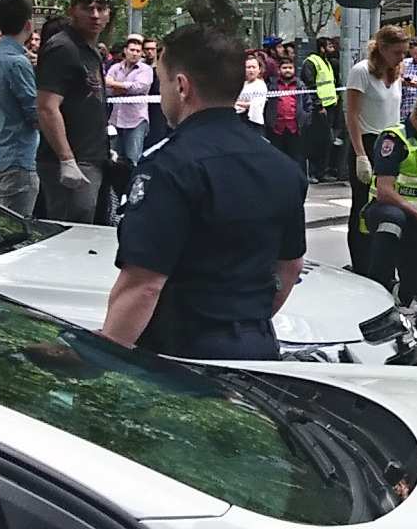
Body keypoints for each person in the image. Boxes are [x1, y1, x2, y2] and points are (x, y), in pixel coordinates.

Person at [102, 24, 307, 360]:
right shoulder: (282, 166)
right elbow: (290, 266)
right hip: (257, 349)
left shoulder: (167, 166)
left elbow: (143, 284)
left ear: (181, 86)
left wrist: (106, 357)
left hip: (182, 355)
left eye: (162, 81)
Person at [360, 90, 417, 304]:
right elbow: (384, 190)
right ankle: (379, 287)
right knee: (393, 220)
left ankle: (416, 292)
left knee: (415, 284)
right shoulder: (394, 139)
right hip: (388, 210)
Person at [35, 0, 113, 222]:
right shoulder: (63, 47)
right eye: (88, 8)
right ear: (72, 11)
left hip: (93, 158)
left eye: (101, 8)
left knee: (88, 235)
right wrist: (66, 160)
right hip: (72, 163)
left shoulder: (90, 50)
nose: (95, 15)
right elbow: (47, 107)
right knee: (71, 239)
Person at [345, 24, 409, 269]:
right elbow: (351, 115)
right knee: (362, 205)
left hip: (390, 141)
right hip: (368, 140)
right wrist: (360, 154)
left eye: (403, 53)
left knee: (388, 205)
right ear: (381, 48)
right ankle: (360, 263)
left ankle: (381, 262)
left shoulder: (395, 73)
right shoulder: (361, 72)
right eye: (396, 52)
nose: (401, 57)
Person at [0, 0, 42, 218]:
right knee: (18, 228)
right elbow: (34, 113)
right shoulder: (17, 62)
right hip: (20, 156)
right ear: (29, 25)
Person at [105, 37, 155, 169]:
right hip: (115, 120)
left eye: (138, 51)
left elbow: (139, 87)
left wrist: (115, 85)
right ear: (125, 51)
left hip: (136, 120)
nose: (135, 53)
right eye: (132, 50)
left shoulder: (145, 70)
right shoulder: (115, 68)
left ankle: (131, 188)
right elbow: (105, 88)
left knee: (133, 160)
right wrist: (124, 88)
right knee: (113, 158)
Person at [303, 32, 344, 180]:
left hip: (330, 105)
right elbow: (310, 86)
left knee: (328, 141)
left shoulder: (326, 61)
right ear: (321, 48)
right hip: (319, 109)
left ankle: (322, 171)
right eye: (329, 46)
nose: (333, 48)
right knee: (318, 141)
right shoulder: (312, 62)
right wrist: (318, 104)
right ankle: (315, 172)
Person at [265, 57, 307, 165]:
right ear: (279, 70)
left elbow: (308, 103)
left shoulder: (300, 85)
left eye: (290, 68)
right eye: (284, 68)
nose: (287, 70)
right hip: (276, 128)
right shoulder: (272, 85)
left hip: (295, 129)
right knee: (277, 159)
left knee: (297, 159)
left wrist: (305, 118)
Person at [236, 54, 271, 125]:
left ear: (259, 69)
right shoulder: (239, 83)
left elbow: (256, 104)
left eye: (254, 67)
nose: (251, 70)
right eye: (248, 67)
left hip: (253, 122)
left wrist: (237, 103)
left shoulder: (260, 85)